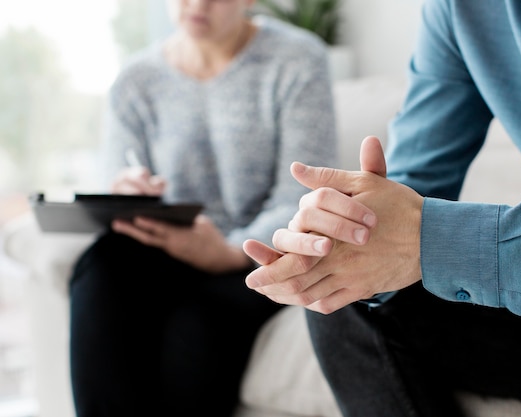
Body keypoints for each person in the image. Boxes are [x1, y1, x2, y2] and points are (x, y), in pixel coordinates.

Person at [242, 0, 521, 416]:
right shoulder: (464, 10)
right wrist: (346, 234)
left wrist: (432, 238)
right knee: (351, 282)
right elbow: (408, 193)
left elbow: (420, 232)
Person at [68, 0, 337, 415]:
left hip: (252, 259)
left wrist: (228, 251)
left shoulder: (297, 60)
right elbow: (118, 176)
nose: (196, 4)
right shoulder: (135, 81)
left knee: (198, 324)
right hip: (165, 250)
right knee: (103, 264)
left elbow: (300, 194)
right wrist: (125, 192)